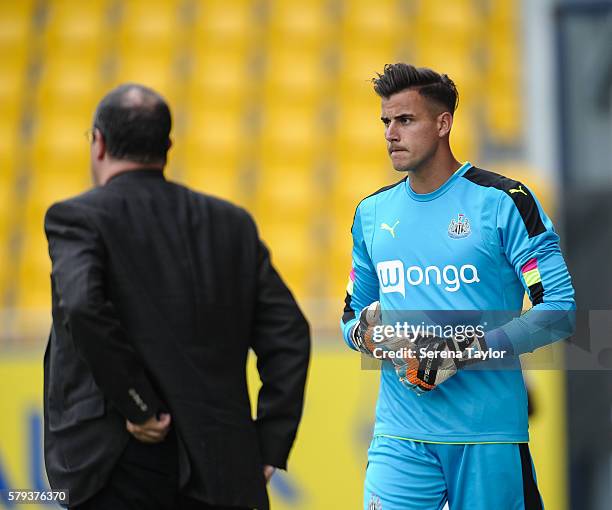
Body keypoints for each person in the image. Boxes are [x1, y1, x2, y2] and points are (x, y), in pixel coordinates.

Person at [43, 83, 310, 510]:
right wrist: (268, 443)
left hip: (116, 472)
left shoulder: (77, 218)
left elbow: (82, 306)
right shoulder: (231, 224)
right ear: (167, 146)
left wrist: (138, 406)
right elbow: (291, 334)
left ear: (99, 144)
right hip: (225, 471)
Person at [340, 64, 575, 509]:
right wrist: (373, 337)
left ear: (443, 123)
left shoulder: (506, 202)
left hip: (486, 437)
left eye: (405, 120)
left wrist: (459, 352)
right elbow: (352, 317)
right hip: (398, 436)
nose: (391, 133)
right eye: (386, 122)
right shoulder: (371, 213)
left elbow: (559, 311)